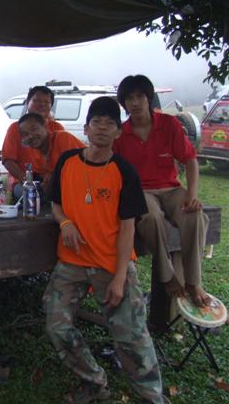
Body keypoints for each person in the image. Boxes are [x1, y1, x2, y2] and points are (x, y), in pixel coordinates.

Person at [45, 96, 167, 404]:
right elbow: (56, 203)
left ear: (118, 132)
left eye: (109, 123)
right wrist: (65, 223)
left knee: (132, 336)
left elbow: (128, 228)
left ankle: (152, 397)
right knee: (57, 325)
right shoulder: (67, 161)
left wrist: (120, 277)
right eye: (96, 122)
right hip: (72, 262)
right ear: (86, 129)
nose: (102, 128)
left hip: (111, 264)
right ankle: (95, 382)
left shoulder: (124, 171)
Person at [113, 75, 210, 307]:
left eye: (140, 96)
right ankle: (167, 277)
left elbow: (190, 159)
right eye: (129, 98)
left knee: (194, 216)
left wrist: (192, 195)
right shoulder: (121, 134)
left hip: (171, 188)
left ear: (149, 98)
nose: (135, 102)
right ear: (124, 103)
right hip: (141, 191)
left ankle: (194, 282)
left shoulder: (169, 124)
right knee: (152, 218)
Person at [5, 112, 84, 202]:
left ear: (45, 127)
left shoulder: (63, 138)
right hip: (61, 189)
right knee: (27, 192)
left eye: (34, 129)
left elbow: (76, 171)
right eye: (25, 134)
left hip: (84, 184)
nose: (30, 136)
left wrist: (52, 178)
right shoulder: (34, 151)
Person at [2, 85, 64, 197]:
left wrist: (52, 178)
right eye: (37, 101)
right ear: (27, 102)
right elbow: (8, 160)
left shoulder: (57, 128)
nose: (42, 105)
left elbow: (64, 160)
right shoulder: (15, 128)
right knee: (29, 193)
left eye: (46, 102)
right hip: (23, 181)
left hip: (51, 179)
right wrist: (27, 180)